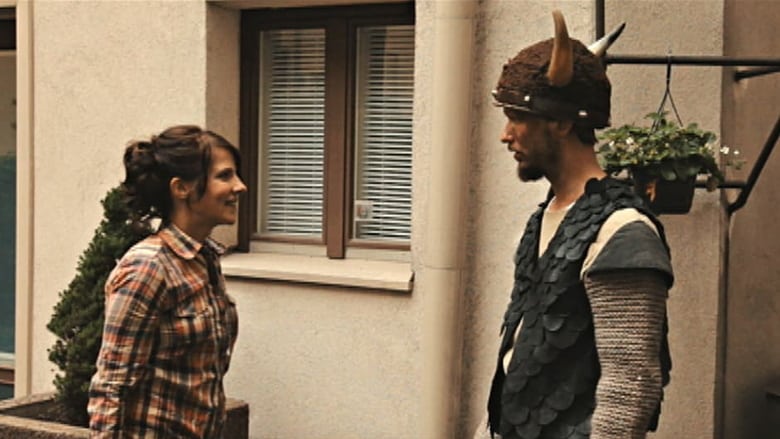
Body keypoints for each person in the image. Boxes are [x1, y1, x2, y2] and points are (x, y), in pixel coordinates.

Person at [478, 11, 674, 439]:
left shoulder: (622, 231)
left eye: (518, 117)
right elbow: (522, 355)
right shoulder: (545, 218)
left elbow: (629, 389)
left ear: (563, 123)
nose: (506, 135)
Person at [87, 125, 247, 438]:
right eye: (224, 176)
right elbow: (112, 385)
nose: (239, 186)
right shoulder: (148, 267)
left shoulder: (205, 260)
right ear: (181, 188)